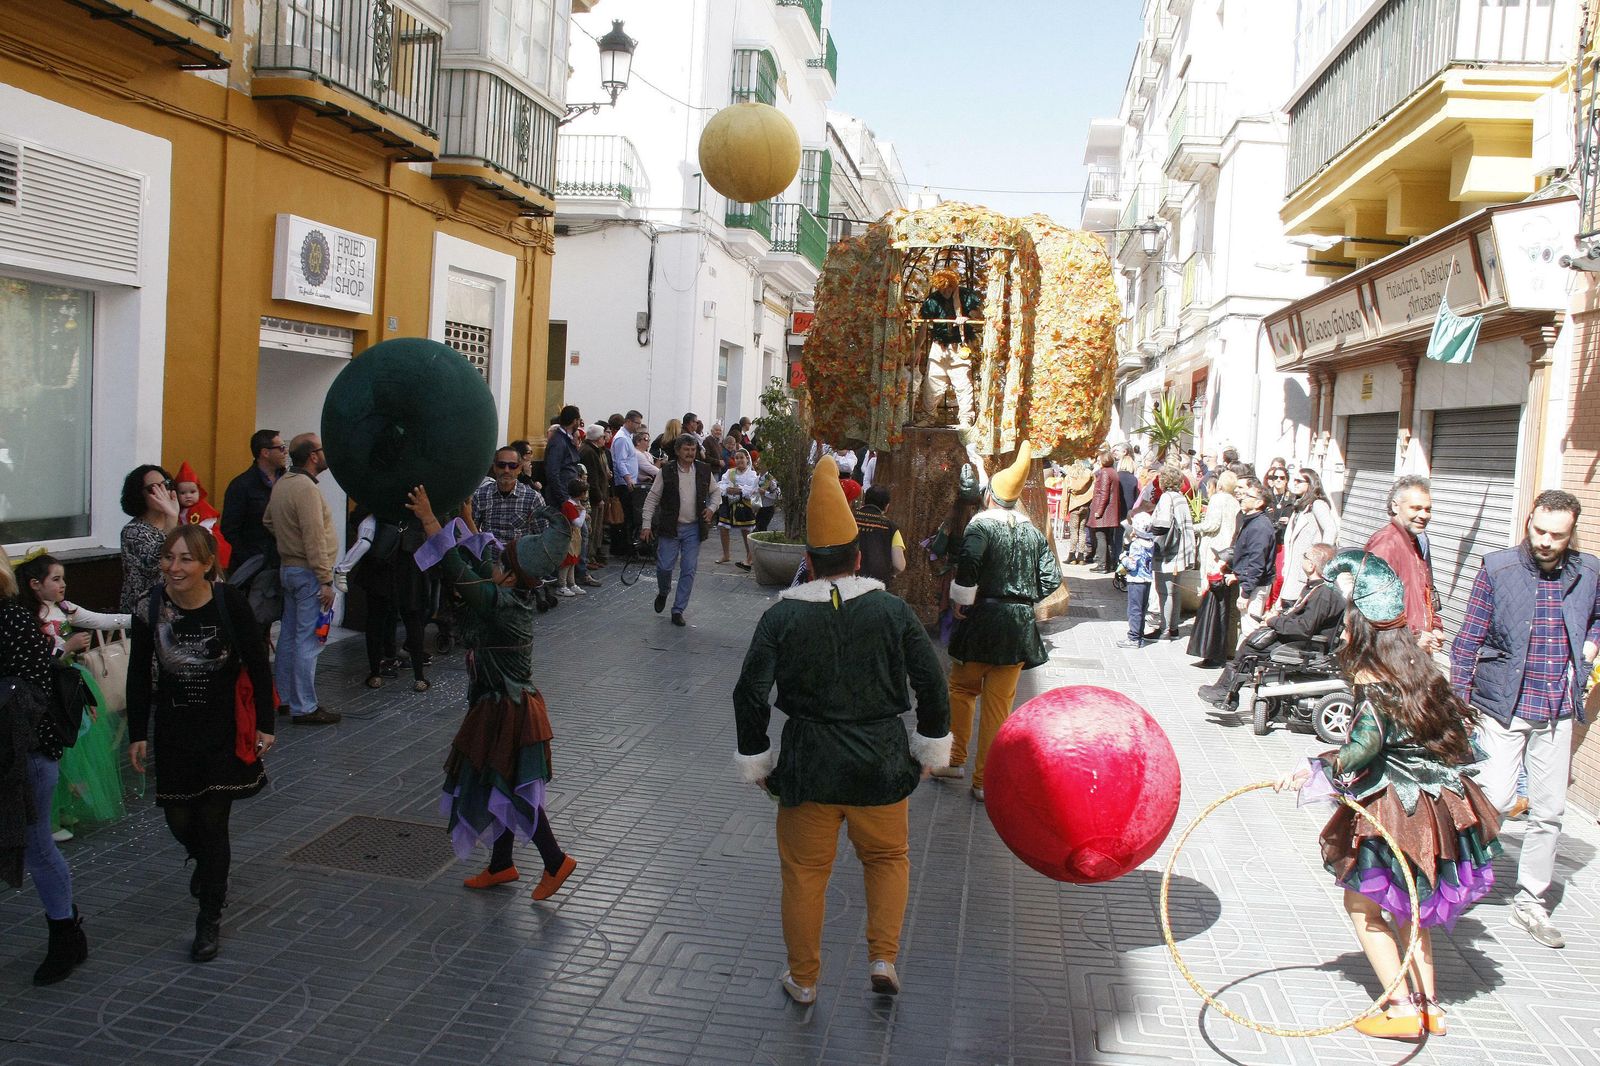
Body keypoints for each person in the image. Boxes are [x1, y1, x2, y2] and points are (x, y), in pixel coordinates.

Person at [732, 456, 951, 1003]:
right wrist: (930, 747)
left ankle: (804, 979)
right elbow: (931, 681)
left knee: (805, 873)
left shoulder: (782, 616)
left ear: (808, 561)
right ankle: (883, 956)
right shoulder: (892, 611)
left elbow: (750, 693)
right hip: (881, 761)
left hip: (809, 762)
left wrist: (757, 758)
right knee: (887, 858)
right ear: (858, 558)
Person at [1276, 550, 1500, 1041]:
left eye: (1348, 625)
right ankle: (1430, 1008)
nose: (1343, 634)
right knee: (1411, 908)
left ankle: (1400, 1009)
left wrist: (1314, 767)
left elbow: (1365, 745)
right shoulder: (1421, 670)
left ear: (1362, 630)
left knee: (1364, 907)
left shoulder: (1373, 681)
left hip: (1396, 811)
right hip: (1437, 808)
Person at [405, 484, 578, 901]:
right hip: (505, 703)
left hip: (507, 708)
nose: (494, 560)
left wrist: (429, 518)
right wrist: (465, 514)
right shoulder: (511, 590)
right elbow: (483, 554)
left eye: (503, 560)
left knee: (511, 784)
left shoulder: (498, 603)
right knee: (496, 780)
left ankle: (555, 861)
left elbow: (457, 568)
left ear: (512, 575)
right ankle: (501, 864)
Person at [1450, 490, 1600, 950]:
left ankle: (1531, 901)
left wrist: (1591, 644)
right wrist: (1458, 707)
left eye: (1557, 535)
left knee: (1549, 812)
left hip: (1556, 709)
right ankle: (1459, 875)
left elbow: (1598, 618)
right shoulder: (1498, 569)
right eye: (1539, 530)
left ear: (1571, 533)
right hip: (1501, 705)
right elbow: (1467, 641)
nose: (1546, 541)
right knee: (1493, 797)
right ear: (1529, 522)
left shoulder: (1589, 571)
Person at [128, 526, 276, 963]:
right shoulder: (150, 606)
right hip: (174, 728)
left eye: (185, 559)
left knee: (213, 822)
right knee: (178, 818)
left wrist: (265, 724)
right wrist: (137, 733)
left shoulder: (228, 601)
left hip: (222, 728)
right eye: (168, 558)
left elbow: (257, 662)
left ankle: (209, 915)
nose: (174, 568)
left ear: (207, 564)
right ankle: (206, 861)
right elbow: (138, 674)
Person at [931, 444, 1061, 801]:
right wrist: (1023, 598)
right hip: (1017, 628)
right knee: (998, 706)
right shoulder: (1033, 533)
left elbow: (969, 563)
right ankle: (984, 781)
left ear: (989, 496)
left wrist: (963, 598)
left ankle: (953, 760)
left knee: (962, 690)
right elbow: (1052, 578)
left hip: (981, 619)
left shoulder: (980, 527)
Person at [2, 552, 88, 985]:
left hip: (25, 752)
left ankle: (65, 935)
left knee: (37, 846)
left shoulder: (12, 620)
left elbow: (35, 690)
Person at [15, 553, 132, 835]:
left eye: (63, 578)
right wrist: (67, 646)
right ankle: (48, 818)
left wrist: (142, 617)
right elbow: (34, 659)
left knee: (74, 748)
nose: (63, 584)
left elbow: (101, 620)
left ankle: (64, 806)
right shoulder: (25, 616)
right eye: (56, 579)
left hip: (70, 683)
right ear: (35, 584)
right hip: (47, 688)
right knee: (53, 750)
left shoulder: (64, 608)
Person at [1198, 543, 1345, 706]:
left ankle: (1226, 692)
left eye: (1305, 556)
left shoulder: (1323, 594)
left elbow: (1303, 628)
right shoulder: (1317, 588)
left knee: (1251, 647)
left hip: (1308, 645)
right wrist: (1276, 616)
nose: (1302, 558)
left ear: (1311, 565)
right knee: (1254, 639)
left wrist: (1273, 621)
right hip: (1303, 638)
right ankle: (1227, 692)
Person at [262, 433, 340, 726]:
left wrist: (288, 541)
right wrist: (325, 580)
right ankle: (305, 706)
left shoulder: (283, 483)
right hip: (308, 573)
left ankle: (284, 698)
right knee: (309, 641)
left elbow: (268, 521)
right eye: (323, 448)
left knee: (289, 637)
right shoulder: (305, 488)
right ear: (313, 456)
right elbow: (314, 536)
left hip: (290, 569)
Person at [334, 513, 434, 693]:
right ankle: (418, 677)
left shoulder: (377, 505)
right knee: (412, 619)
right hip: (408, 560)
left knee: (377, 620)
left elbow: (359, 516)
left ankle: (376, 674)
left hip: (383, 556)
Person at [640, 433, 721, 627]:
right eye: (686, 450)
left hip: (694, 528)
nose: (690, 453)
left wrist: (712, 508)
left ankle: (678, 610)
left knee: (689, 569)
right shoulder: (666, 471)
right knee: (664, 567)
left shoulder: (703, 469)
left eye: (693, 450)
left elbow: (716, 492)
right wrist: (646, 525)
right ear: (678, 451)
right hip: (670, 527)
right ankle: (664, 591)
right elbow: (652, 499)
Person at [1365, 475, 1444, 653]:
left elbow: (1423, 596)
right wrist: (1413, 637)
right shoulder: (1387, 543)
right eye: (1415, 508)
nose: (1423, 515)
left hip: (1410, 655)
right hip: (1392, 656)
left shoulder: (1415, 542)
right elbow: (1373, 606)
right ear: (1395, 506)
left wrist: (1435, 628)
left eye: (1428, 509)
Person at [917, 267, 983, 425]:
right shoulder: (933, 299)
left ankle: (966, 418)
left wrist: (966, 318)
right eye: (942, 288)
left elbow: (978, 316)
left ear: (954, 286)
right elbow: (924, 325)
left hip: (959, 346)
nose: (946, 291)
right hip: (939, 346)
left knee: (963, 384)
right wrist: (917, 348)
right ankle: (928, 417)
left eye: (949, 288)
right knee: (932, 382)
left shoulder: (965, 295)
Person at [220, 429, 285, 581]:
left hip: (286, 563)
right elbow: (230, 530)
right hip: (256, 567)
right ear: (265, 453)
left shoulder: (288, 481)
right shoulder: (241, 485)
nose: (285, 452)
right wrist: (249, 560)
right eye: (281, 448)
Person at [119, 464, 180, 612]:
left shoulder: (177, 525)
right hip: (144, 611)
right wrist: (172, 519)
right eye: (154, 488)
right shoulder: (132, 531)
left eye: (165, 485)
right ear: (139, 495)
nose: (163, 493)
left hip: (176, 606)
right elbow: (154, 563)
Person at [1147, 465, 1197, 641]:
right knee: (1174, 591)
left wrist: (1147, 527)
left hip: (1168, 551)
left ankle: (1165, 629)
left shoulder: (1167, 497)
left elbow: (1162, 524)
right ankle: (1173, 628)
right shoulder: (1181, 497)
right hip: (1181, 550)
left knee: (1164, 591)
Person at [1226, 477, 1277, 638]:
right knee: (1246, 627)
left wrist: (1246, 593)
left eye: (1249, 496)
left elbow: (1257, 562)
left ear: (1258, 503)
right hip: (1250, 582)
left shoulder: (1260, 526)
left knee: (1250, 630)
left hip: (1256, 586)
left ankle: (1247, 655)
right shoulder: (1251, 521)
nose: (1243, 497)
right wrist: (1237, 574)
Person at [173, 462, 232, 571]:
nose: (188, 496)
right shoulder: (177, 510)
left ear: (199, 492)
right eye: (183, 493)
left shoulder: (203, 508)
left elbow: (204, 528)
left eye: (192, 492)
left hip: (205, 540)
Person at [1116, 512, 1155, 649]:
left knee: (1134, 609)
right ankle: (1140, 635)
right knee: (1142, 609)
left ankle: (1133, 637)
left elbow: (1132, 565)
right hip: (1147, 580)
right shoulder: (1150, 543)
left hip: (1136, 580)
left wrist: (1123, 558)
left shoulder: (1136, 545)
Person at [854, 485, 906, 584]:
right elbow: (899, 565)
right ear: (886, 506)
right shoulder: (891, 527)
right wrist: (889, 574)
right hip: (876, 585)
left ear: (864, 500)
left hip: (848, 581)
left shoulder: (849, 519)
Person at [718, 449, 761, 571]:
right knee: (723, 527)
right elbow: (721, 484)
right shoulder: (730, 472)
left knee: (746, 530)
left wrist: (740, 490)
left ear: (747, 459)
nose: (739, 460)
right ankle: (726, 555)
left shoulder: (752, 474)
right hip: (729, 504)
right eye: (736, 458)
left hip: (744, 505)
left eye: (741, 457)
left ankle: (749, 557)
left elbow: (754, 489)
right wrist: (727, 489)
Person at [578, 424, 610, 577]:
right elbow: (593, 477)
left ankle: (591, 556)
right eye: (603, 436)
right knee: (592, 528)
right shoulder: (589, 452)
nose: (605, 439)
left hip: (596, 495)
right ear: (598, 438)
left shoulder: (593, 450)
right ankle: (588, 557)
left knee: (596, 528)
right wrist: (598, 497)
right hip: (593, 497)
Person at [610, 410, 644, 555]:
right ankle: (623, 547)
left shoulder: (627, 437)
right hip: (623, 484)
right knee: (625, 516)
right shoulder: (622, 439)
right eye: (637, 423)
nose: (639, 426)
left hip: (628, 481)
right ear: (628, 421)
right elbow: (620, 461)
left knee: (628, 516)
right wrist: (628, 478)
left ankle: (625, 545)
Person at [1087, 452, 1123, 572]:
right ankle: (1109, 563)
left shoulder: (1105, 473)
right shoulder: (1113, 472)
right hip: (1110, 511)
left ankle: (1102, 565)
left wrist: (1099, 511)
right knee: (1107, 537)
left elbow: (1104, 493)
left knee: (1100, 536)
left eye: (1099, 460)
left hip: (1104, 511)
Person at [555, 478, 590, 597]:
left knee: (573, 561)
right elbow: (577, 523)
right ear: (580, 493)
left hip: (575, 536)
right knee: (567, 561)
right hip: (569, 536)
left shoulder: (575, 504)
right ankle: (562, 585)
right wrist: (583, 512)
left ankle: (572, 583)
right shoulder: (569, 505)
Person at [543, 406, 585, 506]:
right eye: (579, 420)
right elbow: (553, 472)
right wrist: (564, 499)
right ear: (575, 421)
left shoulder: (566, 439)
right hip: (561, 497)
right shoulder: (559, 442)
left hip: (568, 493)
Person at [1062, 462, 1095, 565]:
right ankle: (1081, 556)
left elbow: (1065, 495)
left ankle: (1072, 556)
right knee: (1082, 531)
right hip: (1085, 506)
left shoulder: (1069, 477)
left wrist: (1064, 510)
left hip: (1074, 507)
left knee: (1074, 532)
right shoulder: (1089, 476)